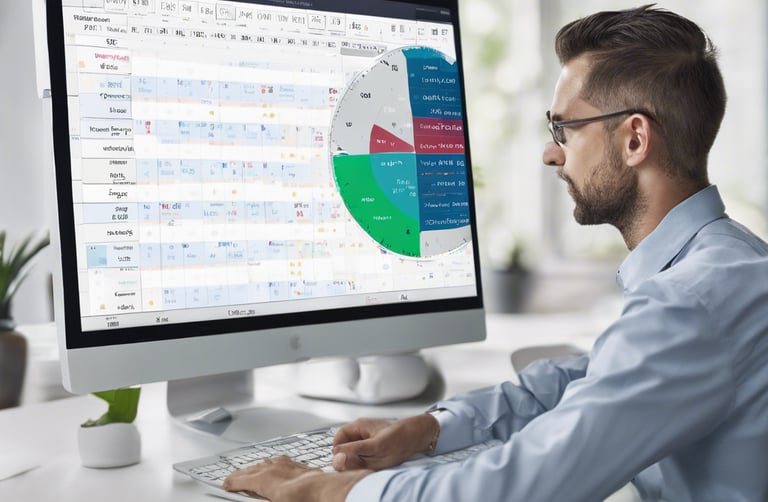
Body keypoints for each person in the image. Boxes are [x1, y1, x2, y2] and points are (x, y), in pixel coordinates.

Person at [223, 5, 768, 501]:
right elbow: (595, 377)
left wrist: (330, 491)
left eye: (565, 128)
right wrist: (432, 427)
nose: (551, 153)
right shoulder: (724, 265)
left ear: (634, 140)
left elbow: (526, 483)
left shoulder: (693, 302)